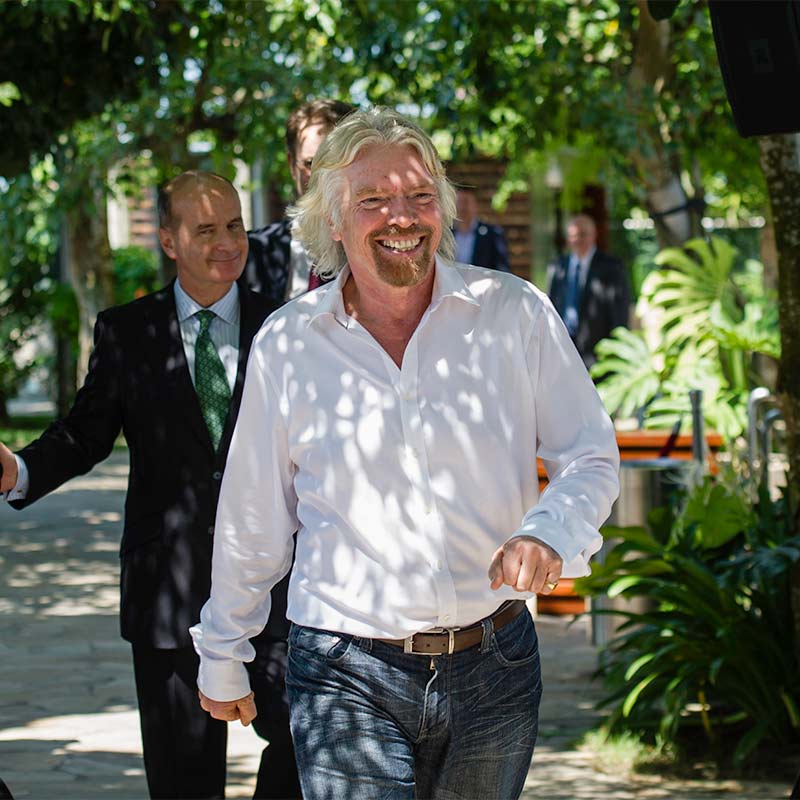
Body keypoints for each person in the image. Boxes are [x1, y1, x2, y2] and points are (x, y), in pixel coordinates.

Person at [191, 109, 620, 800]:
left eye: (420, 197)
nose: (402, 217)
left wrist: (550, 530)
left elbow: (590, 455)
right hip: (342, 667)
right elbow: (254, 517)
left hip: (497, 663)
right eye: (373, 201)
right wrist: (223, 651)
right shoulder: (289, 342)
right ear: (334, 221)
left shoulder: (514, 314)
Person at [0, 171, 300, 800]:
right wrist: (21, 470)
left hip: (280, 590)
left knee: (304, 747)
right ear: (168, 240)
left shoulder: (288, 330)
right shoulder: (127, 333)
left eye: (235, 226)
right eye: (206, 230)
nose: (226, 243)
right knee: (183, 784)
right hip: (169, 593)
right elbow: (85, 436)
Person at [244, 98, 355, 304]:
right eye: (311, 163)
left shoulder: (382, 247)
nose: (323, 175)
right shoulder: (250, 252)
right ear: (291, 164)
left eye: (335, 161)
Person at [546, 213, 631, 369]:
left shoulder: (612, 267)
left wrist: (616, 350)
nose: (577, 240)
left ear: (594, 235)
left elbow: (619, 312)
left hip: (597, 353)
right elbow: (550, 306)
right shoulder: (557, 267)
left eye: (583, 235)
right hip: (562, 350)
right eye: (573, 236)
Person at [453, 187, 511, 272]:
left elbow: (502, 269)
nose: (461, 208)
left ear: (476, 205)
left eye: (465, 202)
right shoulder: (445, 234)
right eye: (458, 202)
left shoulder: (493, 234)